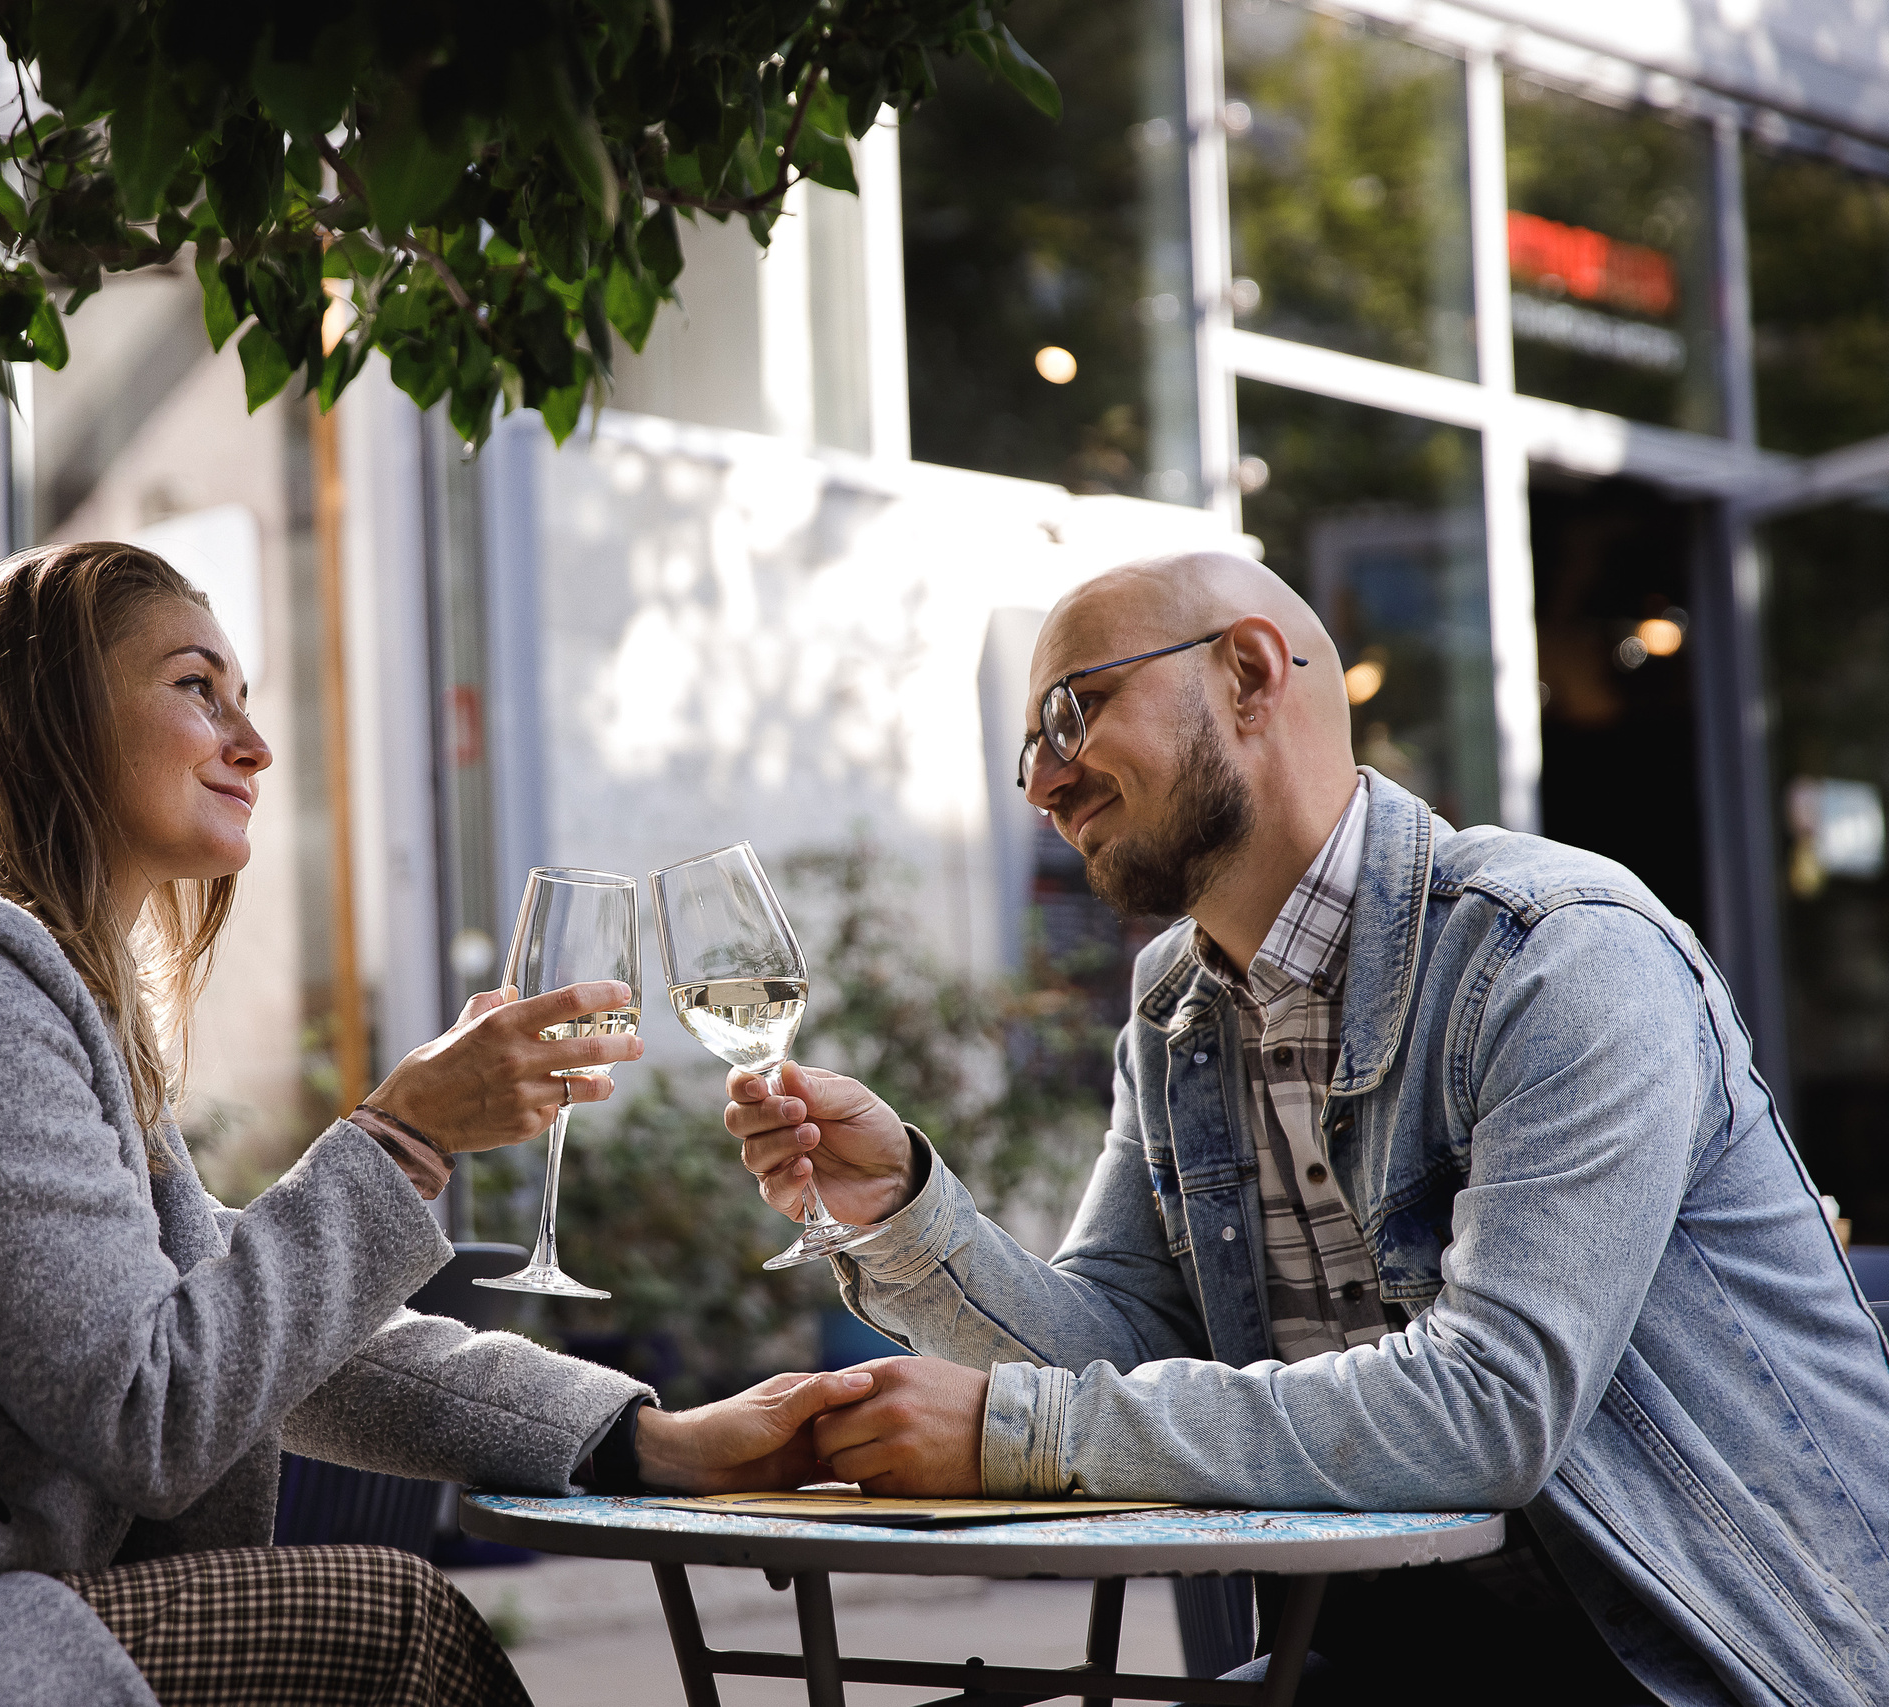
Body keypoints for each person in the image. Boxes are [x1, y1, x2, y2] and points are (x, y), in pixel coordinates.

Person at [0, 542, 874, 1707]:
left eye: (246, 695)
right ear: (58, 717)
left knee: (383, 1620)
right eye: (198, 687)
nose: (252, 739)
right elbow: (154, 1405)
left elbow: (269, 1336)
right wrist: (399, 1135)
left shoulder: (44, 993)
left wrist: (645, 1437)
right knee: (386, 1624)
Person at [727, 551, 1889, 1707]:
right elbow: (1117, 1348)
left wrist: (1016, 1433)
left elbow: (1489, 1409)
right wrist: (904, 1218)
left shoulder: (1558, 950)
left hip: (1721, 1658)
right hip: (1402, 1653)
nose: (1042, 782)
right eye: (1030, 746)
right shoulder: (1173, 1004)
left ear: (1245, 675)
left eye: (1072, 712)